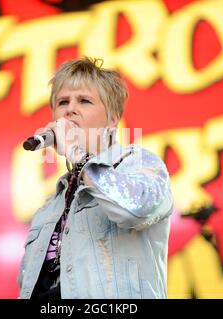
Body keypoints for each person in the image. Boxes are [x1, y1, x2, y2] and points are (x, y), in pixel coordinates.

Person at [18, 57, 174, 299]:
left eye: (84, 100)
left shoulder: (139, 165)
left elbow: (135, 211)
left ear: (112, 119)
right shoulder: (50, 207)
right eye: (62, 102)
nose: (70, 109)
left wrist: (79, 157)